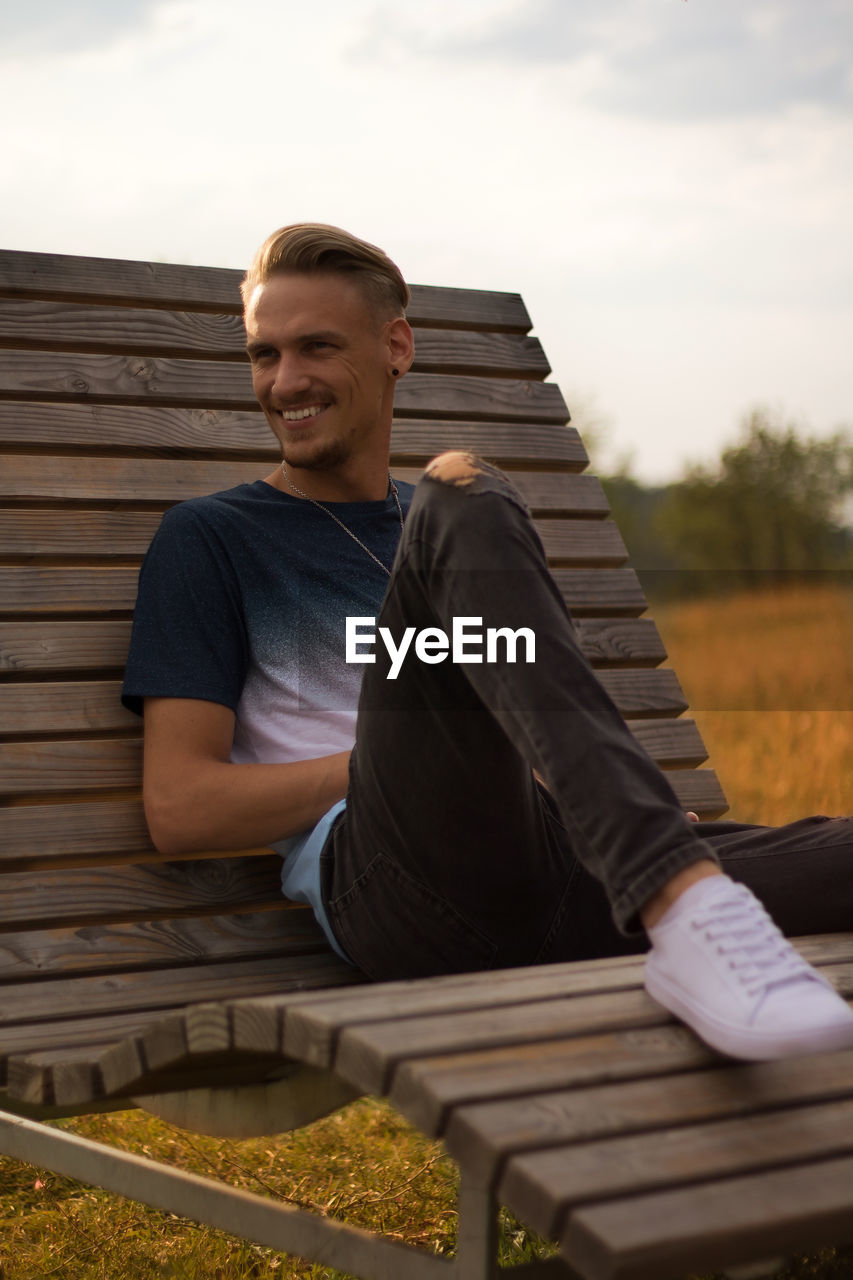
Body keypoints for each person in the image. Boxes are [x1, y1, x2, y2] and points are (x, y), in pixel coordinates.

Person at [122, 222, 853, 1063]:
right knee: (462, 487)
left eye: (315, 347)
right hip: (398, 887)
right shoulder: (213, 538)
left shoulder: (447, 543)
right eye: (264, 354)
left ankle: (672, 895)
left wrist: (565, 799)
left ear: (395, 345)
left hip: (562, 867)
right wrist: (408, 764)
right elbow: (179, 809)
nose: (285, 382)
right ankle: (676, 895)